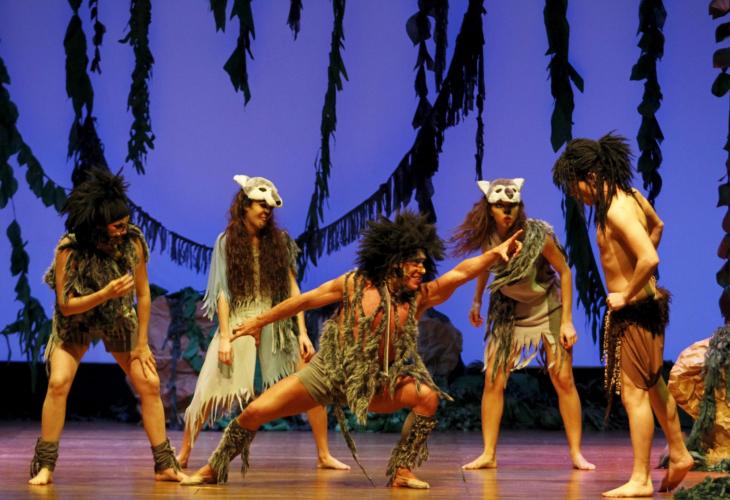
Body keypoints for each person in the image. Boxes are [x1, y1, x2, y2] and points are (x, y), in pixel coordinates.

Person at [181, 211, 523, 489]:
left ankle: (403, 470)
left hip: (376, 384)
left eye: (424, 264)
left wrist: (494, 254)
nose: (421, 269)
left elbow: (460, 273)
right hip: (327, 374)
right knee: (255, 412)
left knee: (427, 398)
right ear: (394, 261)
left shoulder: (419, 297)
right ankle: (214, 467)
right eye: (414, 262)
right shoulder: (354, 284)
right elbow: (305, 300)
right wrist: (260, 321)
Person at [552, 133, 693, 497]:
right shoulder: (630, 196)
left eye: (575, 186)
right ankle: (679, 453)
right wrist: (636, 281)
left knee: (634, 395)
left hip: (635, 311)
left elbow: (649, 257)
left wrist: (626, 294)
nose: (576, 195)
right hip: (645, 308)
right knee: (653, 385)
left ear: (591, 176)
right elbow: (657, 227)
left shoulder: (616, 209)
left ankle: (641, 479)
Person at [177, 175, 347, 471]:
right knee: (209, 387)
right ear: (244, 206)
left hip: (275, 320)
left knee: (311, 380)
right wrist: (226, 337)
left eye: (269, 207)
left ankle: (323, 454)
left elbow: (293, 290)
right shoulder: (226, 242)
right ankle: (184, 454)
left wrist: (302, 333)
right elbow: (222, 293)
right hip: (240, 319)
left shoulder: (279, 242)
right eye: (260, 205)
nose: (266, 211)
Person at [28, 168, 184, 485]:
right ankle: (45, 465)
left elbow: (143, 294)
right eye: (117, 226)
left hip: (117, 316)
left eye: (126, 223)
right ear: (99, 225)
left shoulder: (132, 243)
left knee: (149, 383)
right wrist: (105, 293)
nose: (124, 230)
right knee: (58, 382)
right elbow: (66, 305)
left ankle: (165, 465)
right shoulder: (70, 249)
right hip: (77, 319)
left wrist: (141, 344)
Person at [452, 178, 594, 471]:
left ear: (520, 206)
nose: (506, 211)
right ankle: (489, 453)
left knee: (563, 379)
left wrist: (567, 321)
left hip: (546, 308)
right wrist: (476, 300)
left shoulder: (538, 235)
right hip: (508, 310)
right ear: (489, 208)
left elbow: (565, 272)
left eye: (512, 205)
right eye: (500, 206)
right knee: (493, 378)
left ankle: (576, 453)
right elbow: (485, 265)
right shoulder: (488, 236)